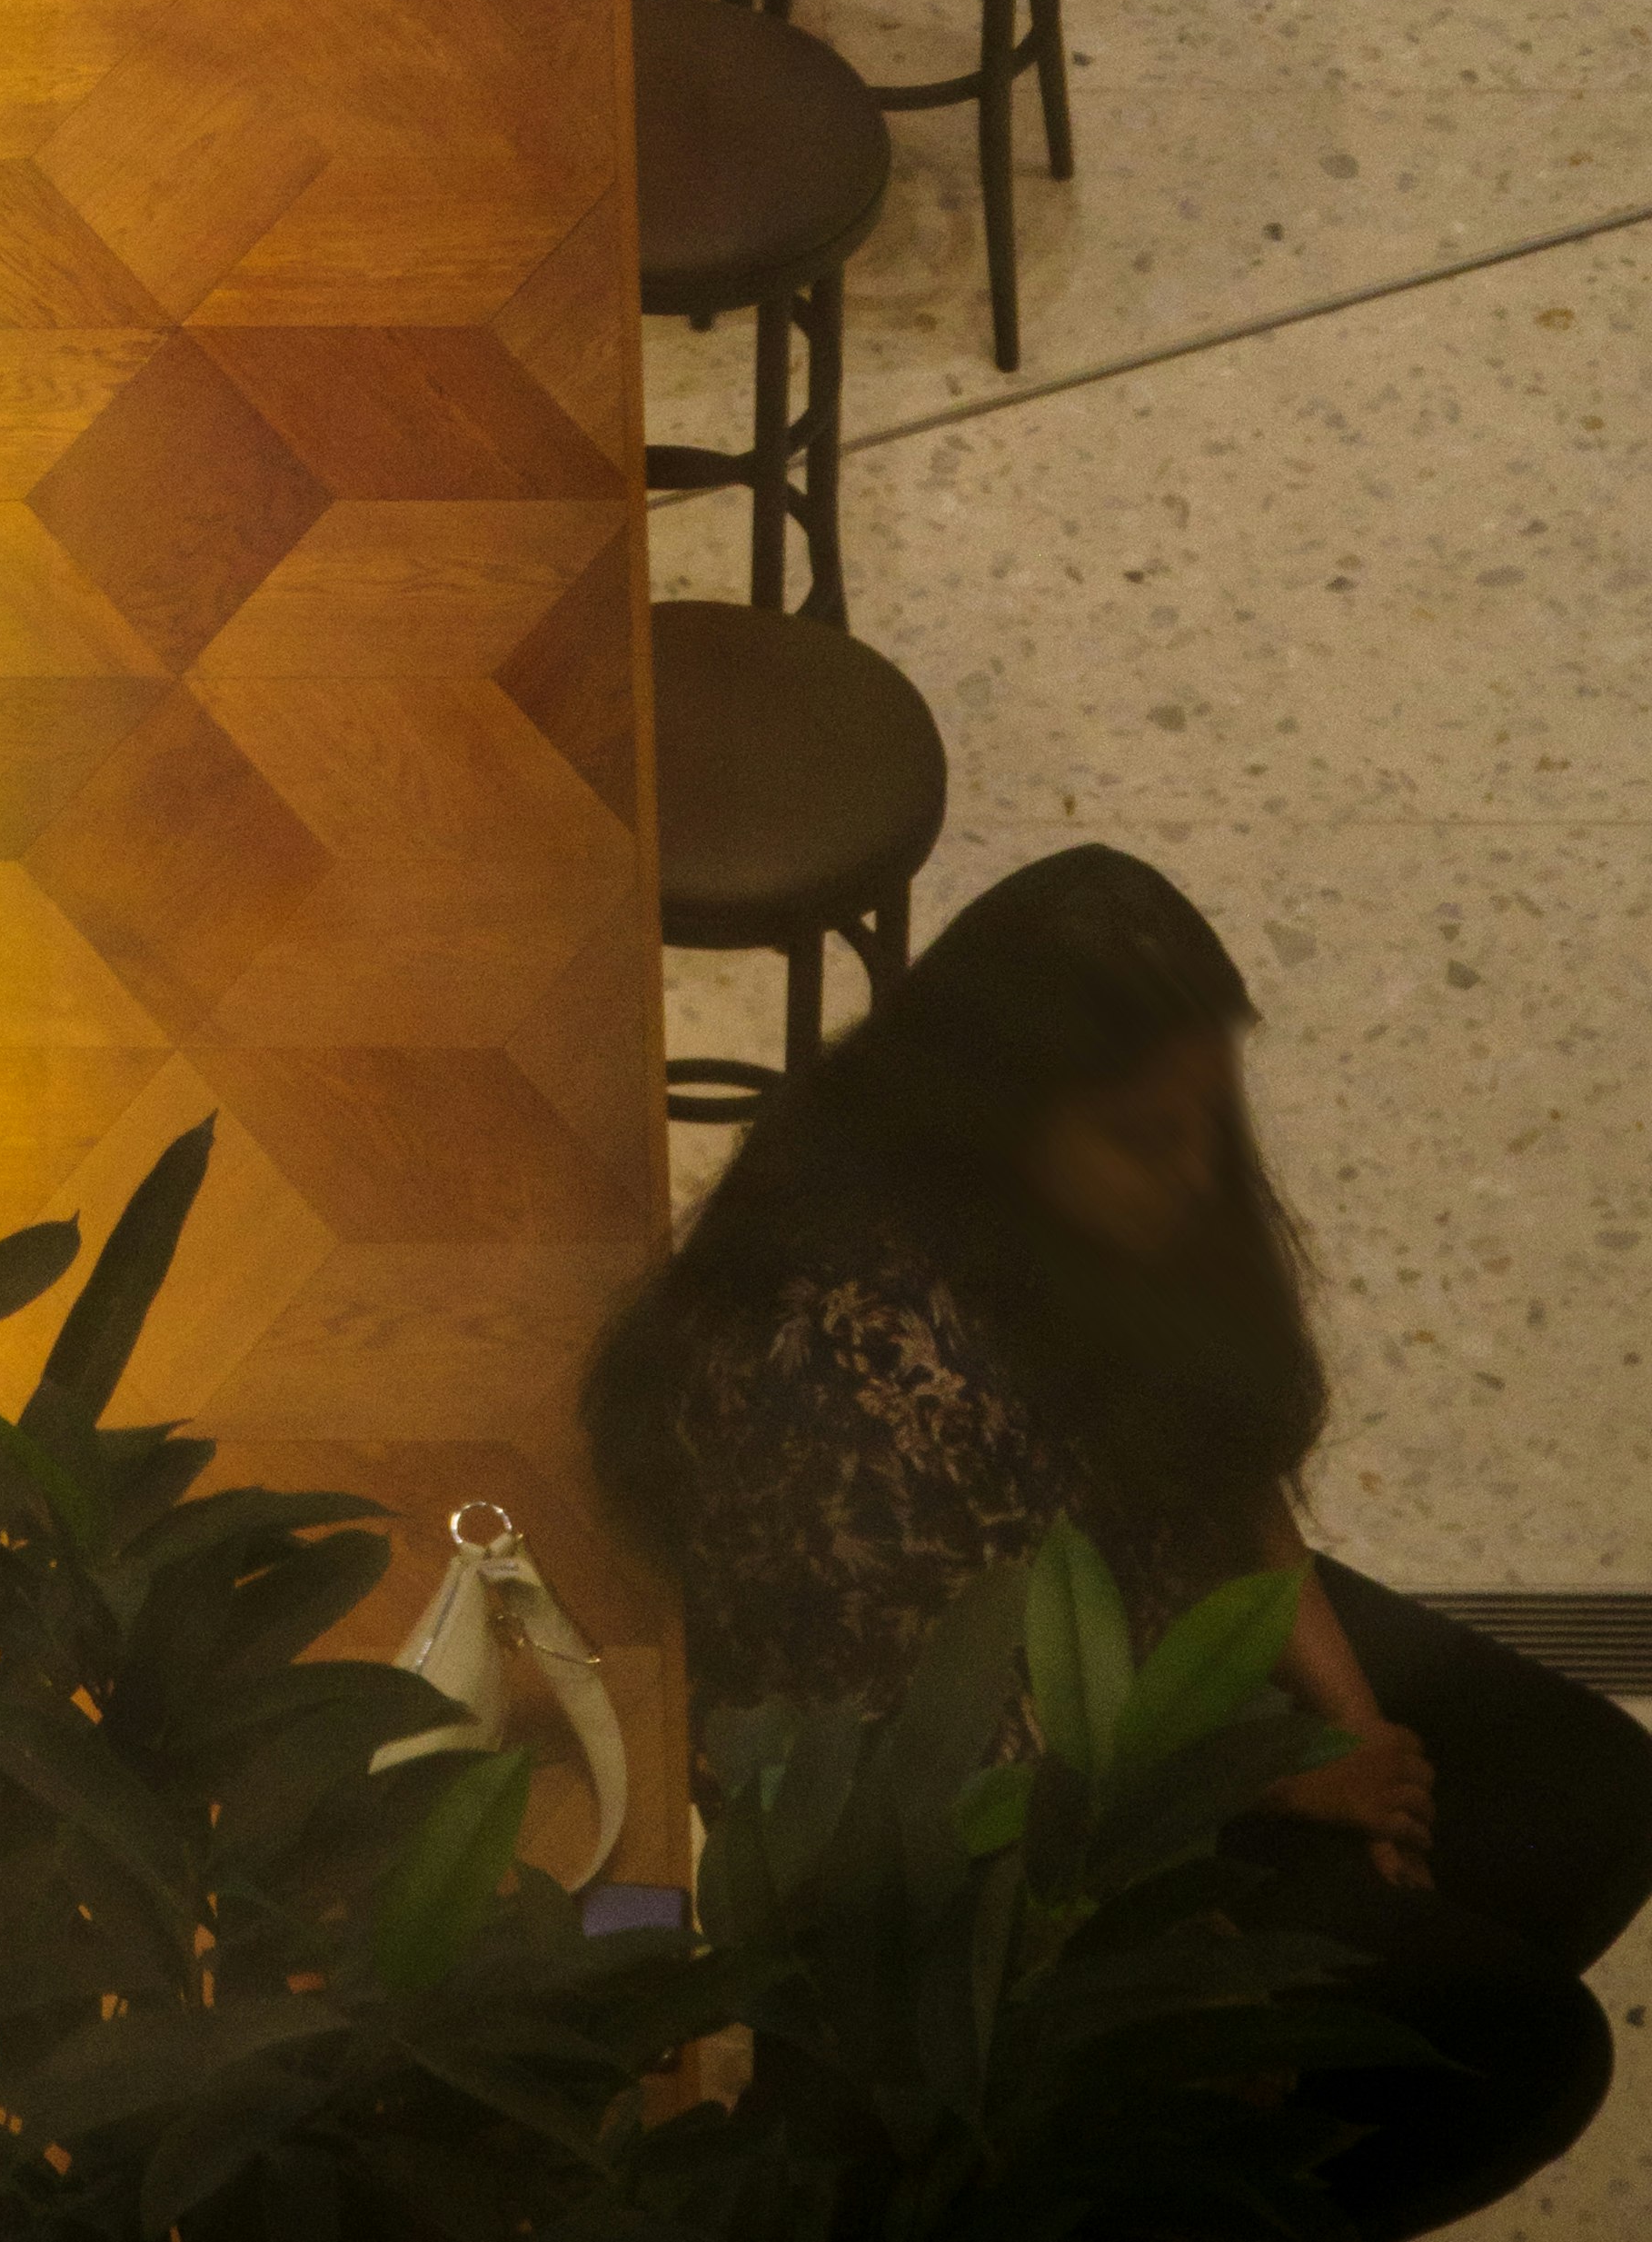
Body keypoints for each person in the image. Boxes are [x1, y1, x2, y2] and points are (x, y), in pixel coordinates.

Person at [579, 847, 1652, 2239]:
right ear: (1002, 1122)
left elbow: (1225, 1459)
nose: (1202, 1170)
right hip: (957, 1810)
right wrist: (1290, 1789)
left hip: (1132, 1635)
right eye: (1152, 1134)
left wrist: (1352, 1724)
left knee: (1597, 1803)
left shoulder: (1088, 1205)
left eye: (1208, 1120)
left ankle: (1303, 2070)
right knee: (1529, 2056)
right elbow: (967, 1771)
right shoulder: (849, 1368)